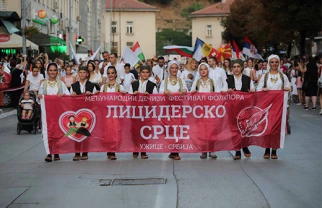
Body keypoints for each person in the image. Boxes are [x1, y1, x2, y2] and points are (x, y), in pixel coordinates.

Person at [257, 54, 290, 159]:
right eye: (272, 62)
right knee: (268, 127)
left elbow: (289, 88)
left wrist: (286, 89)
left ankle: (274, 149)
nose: (274, 64)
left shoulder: (283, 76)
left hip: (279, 106)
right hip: (268, 106)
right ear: (269, 63)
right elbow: (258, 90)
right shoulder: (265, 76)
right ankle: (267, 148)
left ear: (279, 63)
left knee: (276, 128)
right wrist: (263, 89)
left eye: (276, 62)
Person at [38, 62, 70, 162]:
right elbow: (39, 97)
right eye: (50, 70)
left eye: (54, 70)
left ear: (57, 71)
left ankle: (56, 152)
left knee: (58, 132)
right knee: (47, 131)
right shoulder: (44, 84)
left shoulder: (61, 83)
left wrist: (63, 94)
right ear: (47, 71)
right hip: (47, 114)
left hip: (58, 112)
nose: (52, 72)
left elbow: (68, 96)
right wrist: (39, 96)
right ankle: (49, 152)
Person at [226, 59, 255, 160]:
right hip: (233, 108)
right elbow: (222, 92)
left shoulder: (247, 79)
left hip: (244, 107)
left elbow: (253, 90)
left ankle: (245, 146)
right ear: (231, 69)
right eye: (234, 67)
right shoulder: (228, 80)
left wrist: (252, 91)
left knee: (244, 127)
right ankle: (237, 149)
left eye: (238, 66)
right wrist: (227, 91)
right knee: (234, 128)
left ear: (242, 67)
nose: (236, 69)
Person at [160, 60, 188, 160]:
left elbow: (185, 90)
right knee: (169, 130)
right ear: (169, 69)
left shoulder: (181, 81)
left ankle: (176, 151)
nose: (174, 70)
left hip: (178, 109)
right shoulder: (165, 81)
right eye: (172, 68)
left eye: (176, 68)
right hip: (167, 109)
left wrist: (184, 91)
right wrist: (164, 92)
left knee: (177, 129)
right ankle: (171, 149)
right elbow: (159, 94)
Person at [129, 65, 158, 159]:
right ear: (139, 73)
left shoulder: (152, 85)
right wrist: (134, 95)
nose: (145, 74)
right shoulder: (133, 85)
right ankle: (135, 148)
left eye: (146, 72)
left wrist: (149, 97)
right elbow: (128, 99)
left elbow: (156, 100)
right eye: (143, 72)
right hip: (135, 111)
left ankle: (143, 150)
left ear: (149, 74)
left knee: (145, 130)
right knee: (135, 130)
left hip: (147, 112)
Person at [70, 66, 97, 161]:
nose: (82, 74)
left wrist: (92, 94)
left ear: (87, 74)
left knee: (86, 132)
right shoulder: (73, 86)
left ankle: (85, 152)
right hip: (76, 111)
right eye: (80, 72)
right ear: (78, 73)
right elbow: (69, 100)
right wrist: (72, 95)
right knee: (76, 132)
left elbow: (96, 99)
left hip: (87, 112)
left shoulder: (92, 85)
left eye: (84, 72)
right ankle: (76, 152)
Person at [190, 63, 216, 159]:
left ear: (208, 71)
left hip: (211, 110)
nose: (203, 71)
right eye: (201, 69)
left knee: (211, 130)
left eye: (205, 69)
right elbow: (191, 95)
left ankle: (211, 150)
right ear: (199, 71)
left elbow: (218, 95)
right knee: (202, 131)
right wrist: (193, 93)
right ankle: (204, 150)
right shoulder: (196, 83)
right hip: (200, 110)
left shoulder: (213, 82)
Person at [100, 66, 126, 160]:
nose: (110, 75)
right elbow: (99, 99)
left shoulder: (120, 86)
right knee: (107, 132)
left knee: (115, 132)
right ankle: (109, 150)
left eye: (112, 73)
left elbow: (125, 100)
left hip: (116, 114)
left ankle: (113, 150)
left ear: (115, 74)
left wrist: (123, 94)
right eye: (109, 73)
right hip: (106, 113)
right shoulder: (103, 87)